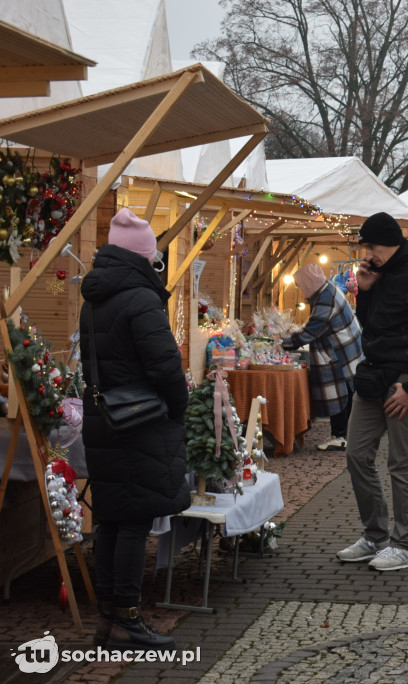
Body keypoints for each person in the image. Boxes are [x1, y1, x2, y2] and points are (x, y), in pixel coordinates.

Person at [81, 208, 189, 650]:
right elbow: (165, 367)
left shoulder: (96, 296)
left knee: (111, 518)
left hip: (103, 418)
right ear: (144, 257)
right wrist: (178, 409)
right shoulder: (140, 299)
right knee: (134, 521)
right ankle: (127, 619)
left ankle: (109, 619)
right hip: (139, 422)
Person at [335, 212, 408, 571]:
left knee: (401, 464)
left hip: (405, 381)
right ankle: (375, 536)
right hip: (372, 377)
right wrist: (366, 292)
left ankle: (403, 545)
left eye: (371, 247)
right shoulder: (377, 273)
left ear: (389, 242)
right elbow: (369, 327)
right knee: (356, 455)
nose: (366, 254)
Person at [281, 263, 362, 451]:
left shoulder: (326, 296)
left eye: (301, 286)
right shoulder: (329, 288)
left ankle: (340, 436)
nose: (301, 290)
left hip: (341, 351)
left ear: (309, 284)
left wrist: (284, 343)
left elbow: (314, 329)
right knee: (346, 392)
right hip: (347, 348)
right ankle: (345, 435)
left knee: (340, 392)